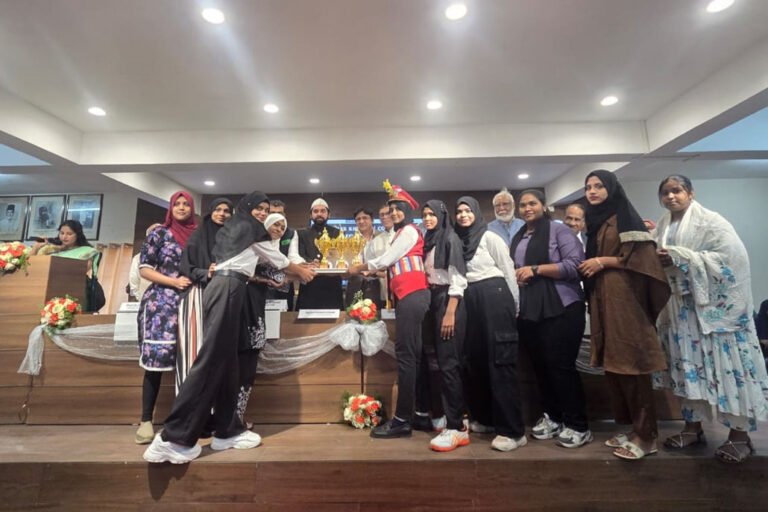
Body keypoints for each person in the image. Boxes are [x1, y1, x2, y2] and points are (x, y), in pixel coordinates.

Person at [143, 191, 315, 464]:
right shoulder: (248, 227)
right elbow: (276, 259)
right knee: (211, 361)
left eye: (266, 209)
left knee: (228, 363)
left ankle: (227, 430)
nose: (262, 212)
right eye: (258, 208)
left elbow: (266, 264)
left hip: (231, 287)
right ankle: (173, 439)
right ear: (247, 208)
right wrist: (303, 271)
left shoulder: (239, 228)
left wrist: (292, 270)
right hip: (228, 287)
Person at [652, 175, 768, 463]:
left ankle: (739, 436)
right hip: (682, 312)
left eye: (677, 190)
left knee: (728, 368)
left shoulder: (712, 222)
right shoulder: (663, 226)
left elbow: (731, 260)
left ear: (691, 193)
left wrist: (682, 257)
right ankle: (692, 428)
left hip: (716, 314)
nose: (671, 197)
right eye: (665, 192)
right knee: (688, 368)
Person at [578, 170, 670, 461]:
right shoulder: (598, 220)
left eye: (599, 186)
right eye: (588, 187)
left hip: (625, 300)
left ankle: (647, 437)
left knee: (633, 364)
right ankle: (633, 429)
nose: (592, 191)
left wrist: (602, 261)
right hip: (605, 298)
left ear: (612, 188)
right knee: (616, 364)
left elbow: (643, 260)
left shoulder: (625, 218)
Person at [348, 181, 431, 446]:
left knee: (406, 356)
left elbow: (386, 260)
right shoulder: (401, 233)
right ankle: (420, 413)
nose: (394, 213)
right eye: (391, 209)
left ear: (409, 210)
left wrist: (360, 267)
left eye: (399, 208)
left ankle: (402, 420)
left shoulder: (409, 231)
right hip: (408, 297)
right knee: (413, 356)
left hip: (413, 295)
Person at [511, 190, 591, 448]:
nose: (527, 208)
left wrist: (536, 270)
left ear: (544, 206)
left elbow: (575, 265)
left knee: (561, 367)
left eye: (532, 203)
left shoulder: (560, 231)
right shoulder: (519, 235)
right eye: (523, 205)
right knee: (541, 368)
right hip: (531, 310)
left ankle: (578, 424)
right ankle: (554, 417)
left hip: (562, 307)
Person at [455, 196, 525, 452]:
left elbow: (508, 270)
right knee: (475, 362)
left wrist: (514, 306)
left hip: (495, 296)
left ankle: (513, 431)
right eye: (459, 211)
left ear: (476, 212)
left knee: (500, 362)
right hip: (469, 298)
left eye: (467, 210)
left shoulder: (490, 237)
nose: (463, 215)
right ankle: (485, 419)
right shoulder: (458, 241)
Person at [134, 191, 197, 444]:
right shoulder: (158, 233)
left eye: (186, 204)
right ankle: (146, 420)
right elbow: (145, 269)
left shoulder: (199, 235)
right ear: (171, 208)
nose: (181, 208)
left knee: (191, 361)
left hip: (192, 301)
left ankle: (186, 419)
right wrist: (173, 282)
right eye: (177, 204)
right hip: (161, 304)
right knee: (156, 362)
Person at [414, 199, 469, 451]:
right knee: (435, 363)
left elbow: (458, 279)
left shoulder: (450, 238)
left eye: (432, 214)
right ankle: (446, 417)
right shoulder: (429, 239)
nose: (427, 219)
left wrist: (450, 312)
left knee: (449, 364)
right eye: (424, 215)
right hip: (433, 298)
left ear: (442, 215)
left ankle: (457, 427)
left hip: (449, 299)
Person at [177, 197, 233, 391]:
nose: (222, 214)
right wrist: (206, 273)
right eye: (218, 210)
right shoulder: (197, 237)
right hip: (198, 295)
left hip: (225, 295)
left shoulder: (234, 238)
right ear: (210, 212)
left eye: (226, 211)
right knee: (195, 348)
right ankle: (190, 401)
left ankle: (214, 403)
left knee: (220, 348)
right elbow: (186, 267)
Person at [30, 219, 103, 312]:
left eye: (69, 234)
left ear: (78, 234)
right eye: (62, 233)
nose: (64, 237)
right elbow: (30, 265)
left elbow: (82, 270)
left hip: (74, 288)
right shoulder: (51, 249)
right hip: (45, 287)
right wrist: (36, 247)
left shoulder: (87, 251)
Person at [295, 198, 344, 310]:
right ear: (310, 215)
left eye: (323, 211)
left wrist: (324, 265)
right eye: (316, 211)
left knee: (334, 319)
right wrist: (311, 264)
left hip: (332, 284)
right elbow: (300, 255)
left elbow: (340, 256)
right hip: (309, 284)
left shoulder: (337, 233)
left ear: (328, 214)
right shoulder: (302, 234)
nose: (319, 214)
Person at [344, 207, 381, 309]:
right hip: (355, 286)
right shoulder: (348, 242)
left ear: (372, 220)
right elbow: (345, 267)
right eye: (358, 219)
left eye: (365, 218)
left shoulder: (383, 237)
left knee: (377, 316)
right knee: (354, 316)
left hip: (378, 285)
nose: (361, 221)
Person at [266, 200, 297, 310]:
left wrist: (303, 265)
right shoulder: (258, 233)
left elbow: (294, 257)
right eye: (272, 213)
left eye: (279, 213)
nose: (276, 216)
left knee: (284, 318)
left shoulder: (291, 233)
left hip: (284, 285)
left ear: (284, 215)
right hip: (261, 285)